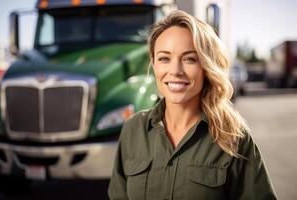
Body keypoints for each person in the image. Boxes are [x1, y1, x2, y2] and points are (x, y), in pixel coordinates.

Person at [108, 10, 277, 200]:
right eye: (164, 58)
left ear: (206, 67)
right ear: (154, 64)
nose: (176, 71)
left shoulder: (234, 137)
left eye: (190, 59)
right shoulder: (133, 129)